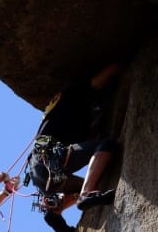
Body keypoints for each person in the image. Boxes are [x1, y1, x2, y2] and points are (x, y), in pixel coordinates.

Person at [26, 64, 121, 232]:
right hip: (50, 159)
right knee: (105, 145)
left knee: (85, 182)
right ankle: (86, 194)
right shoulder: (73, 94)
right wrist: (116, 68)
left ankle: (54, 212)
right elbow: (94, 83)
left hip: (40, 173)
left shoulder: (53, 110)